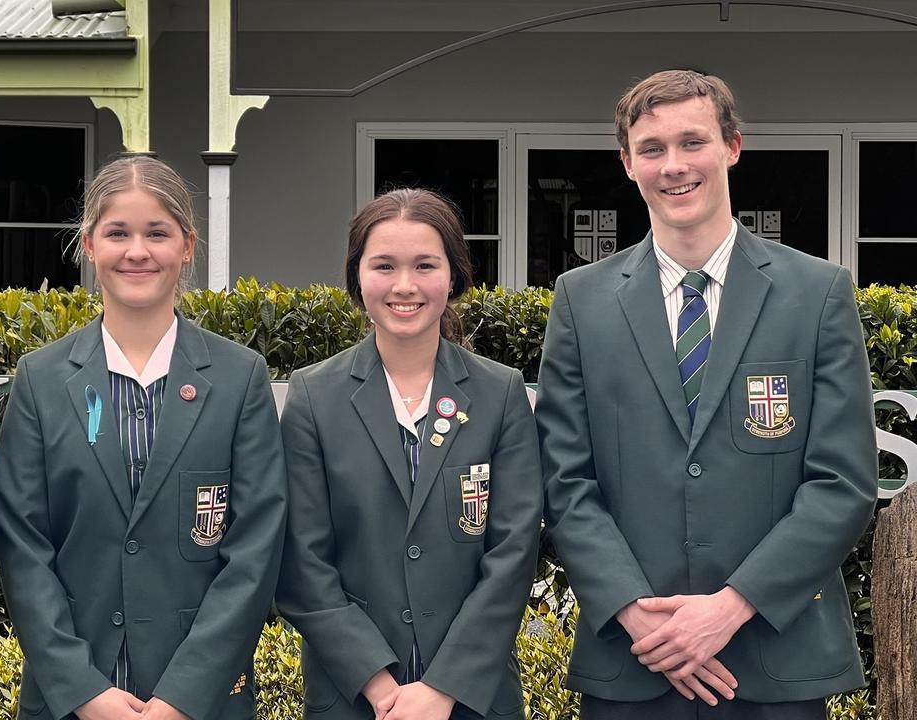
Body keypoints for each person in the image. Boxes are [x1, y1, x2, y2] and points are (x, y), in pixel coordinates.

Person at [535, 69, 877, 719]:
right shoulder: (580, 302)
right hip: (634, 661)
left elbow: (843, 482)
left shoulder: (818, 294)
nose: (675, 165)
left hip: (776, 661)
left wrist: (729, 609)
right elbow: (563, 482)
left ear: (732, 147)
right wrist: (640, 618)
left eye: (693, 142)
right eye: (653, 149)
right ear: (628, 163)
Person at [0, 156, 287, 720]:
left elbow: (254, 554)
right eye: (117, 233)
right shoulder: (40, 379)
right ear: (89, 244)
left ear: (187, 246)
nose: (137, 251)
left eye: (158, 233)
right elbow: (22, 547)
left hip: (203, 703)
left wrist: (182, 697)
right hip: (70, 699)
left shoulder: (239, 378)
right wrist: (84, 692)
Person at [277, 188, 542, 720]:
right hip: (351, 696)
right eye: (384, 266)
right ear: (358, 277)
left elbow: (513, 555)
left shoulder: (501, 394)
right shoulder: (313, 397)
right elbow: (302, 561)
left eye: (425, 265)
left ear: (454, 275)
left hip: (475, 698)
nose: (405, 285)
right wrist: (379, 686)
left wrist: (443, 687)